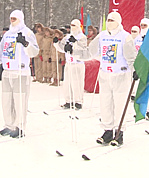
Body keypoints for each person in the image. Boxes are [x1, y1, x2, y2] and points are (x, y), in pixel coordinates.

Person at [79, 11, 136, 146]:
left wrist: (135, 71)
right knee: (105, 104)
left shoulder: (125, 37)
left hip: (120, 75)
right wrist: (71, 51)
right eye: (108, 20)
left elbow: (131, 57)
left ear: (118, 21)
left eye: (112, 20)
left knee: (119, 104)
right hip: (105, 75)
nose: (109, 23)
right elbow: (90, 52)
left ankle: (119, 131)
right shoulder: (102, 36)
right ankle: (108, 130)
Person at [0, 10, 39, 138]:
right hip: (7, 72)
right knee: (7, 100)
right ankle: (8, 125)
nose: (12, 21)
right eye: (11, 19)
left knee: (20, 101)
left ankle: (19, 126)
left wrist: (25, 44)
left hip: (21, 72)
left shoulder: (27, 33)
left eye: (15, 19)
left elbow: (35, 51)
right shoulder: (7, 34)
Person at [54, 19, 87, 109]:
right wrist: (56, 43)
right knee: (67, 82)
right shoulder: (67, 37)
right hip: (69, 63)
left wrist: (75, 43)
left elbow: (83, 49)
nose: (73, 28)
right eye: (71, 25)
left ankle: (78, 101)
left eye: (74, 26)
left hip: (78, 63)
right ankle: (68, 100)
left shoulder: (82, 37)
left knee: (77, 83)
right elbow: (62, 48)